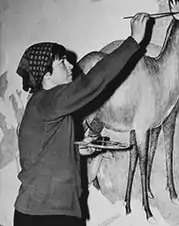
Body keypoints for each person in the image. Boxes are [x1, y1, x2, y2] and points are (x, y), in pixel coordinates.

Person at [14, 12, 152, 226]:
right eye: (62, 63)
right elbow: (91, 84)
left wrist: (75, 148)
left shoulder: (47, 105)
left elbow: (43, 150)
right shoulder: (49, 100)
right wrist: (133, 41)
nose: (71, 65)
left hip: (54, 212)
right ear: (46, 76)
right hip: (44, 215)